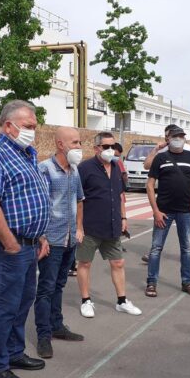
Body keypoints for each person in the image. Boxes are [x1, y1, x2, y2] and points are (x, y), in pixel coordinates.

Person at [0, 100, 51, 378]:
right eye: (28, 126)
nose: (33, 131)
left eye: (34, 126)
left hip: (30, 243)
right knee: (4, 305)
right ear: (9, 126)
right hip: (12, 245)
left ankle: (13, 352)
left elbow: (31, 199)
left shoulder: (26, 154)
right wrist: (10, 244)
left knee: (22, 301)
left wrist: (40, 236)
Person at [76, 132, 142, 318]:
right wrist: (78, 226)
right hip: (90, 226)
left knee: (118, 262)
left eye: (113, 146)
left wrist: (123, 218)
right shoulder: (85, 168)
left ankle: (122, 301)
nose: (110, 150)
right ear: (96, 148)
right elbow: (77, 199)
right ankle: (86, 301)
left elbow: (120, 195)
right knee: (85, 263)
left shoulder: (116, 166)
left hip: (112, 226)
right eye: (106, 147)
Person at [34, 127, 86, 359]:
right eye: (74, 142)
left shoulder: (74, 171)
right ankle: (43, 335)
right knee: (46, 289)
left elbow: (80, 200)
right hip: (51, 240)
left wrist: (79, 228)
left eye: (79, 142)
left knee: (59, 285)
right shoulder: (45, 169)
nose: (78, 147)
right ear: (60, 144)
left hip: (69, 239)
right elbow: (40, 205)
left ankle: (57, 326)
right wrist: (41, 237)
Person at [145, 125, 190, 297]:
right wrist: (156, 211)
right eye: (175, 136)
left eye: (181, 136)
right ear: (168, 139)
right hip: (163, 211)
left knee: (186, 248)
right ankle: (151, 282)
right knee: (156, 248)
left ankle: (187, 282)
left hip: (186, 211)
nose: (178, 139)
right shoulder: (160, 158)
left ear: (185, 139)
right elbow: (150, 185)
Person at [141, 124, 190, 264]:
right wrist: (155, 150)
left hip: (184, 199)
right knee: (159, 234)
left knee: (185, 240)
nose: (169, 138)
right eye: (167, 135)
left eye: (172, 135)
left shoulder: (188, 149)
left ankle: (185, 257)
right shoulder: (162, 152)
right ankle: (154, 253)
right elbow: (147, 165)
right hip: (165, 200)